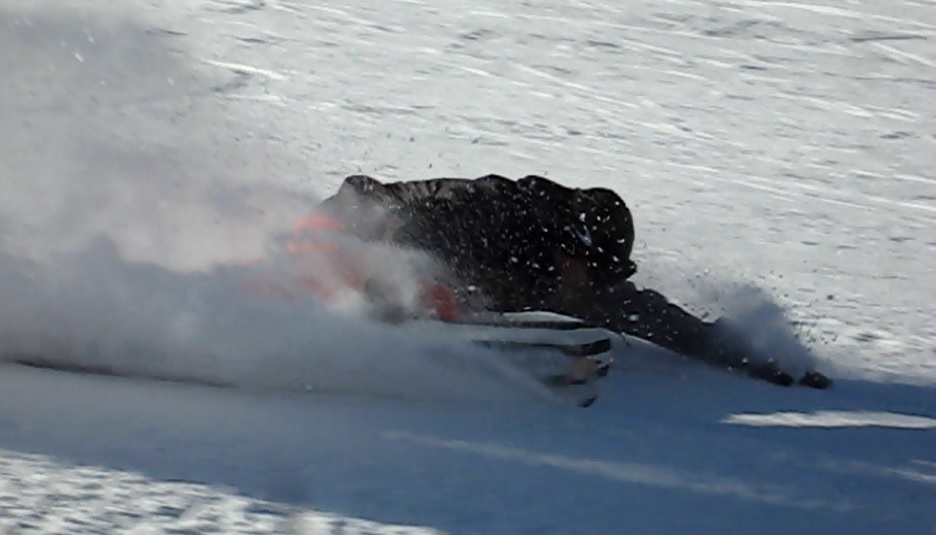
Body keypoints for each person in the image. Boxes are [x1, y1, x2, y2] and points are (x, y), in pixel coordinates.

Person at [301, 173, 831, 389]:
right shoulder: (493, 213)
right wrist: (410, 283)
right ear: (570, 247)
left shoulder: (573, 274)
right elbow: (398, 218)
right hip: (344, 229)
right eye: (595, 270)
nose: (596, 283)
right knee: (396, 285)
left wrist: (757, 358)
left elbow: (652, 316)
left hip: (427, 270)